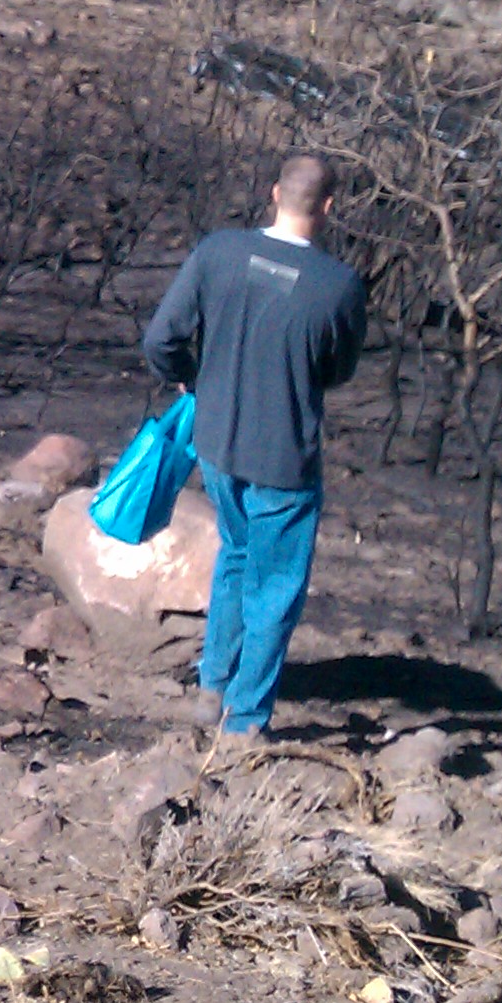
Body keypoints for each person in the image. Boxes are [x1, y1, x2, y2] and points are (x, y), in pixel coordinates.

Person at [140, 154, 368, 740]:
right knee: (276, 589)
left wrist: (190, 375)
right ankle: (244, 721)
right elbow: (338, 371)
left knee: (237, 556)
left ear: (273, 193)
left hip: (217, 444)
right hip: (284, 458)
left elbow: (161, 338)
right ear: (328, 207)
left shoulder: (219, 251)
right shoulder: (339, 286)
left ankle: (212, 686)